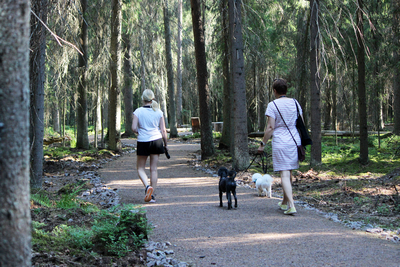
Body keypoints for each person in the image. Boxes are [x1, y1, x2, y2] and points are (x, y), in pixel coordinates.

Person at [257, 78, 302, 215]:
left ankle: (291, 205)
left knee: (284, 173)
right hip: (295, 140)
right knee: (289, 172)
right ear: (286, 90)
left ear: (275, 91)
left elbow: (270, 127)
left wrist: (263, 144)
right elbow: (301, 123)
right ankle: (284, 202)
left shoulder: (272, 105)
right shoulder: (295, 102)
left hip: (281, 141)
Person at [132, 89, 168, 203]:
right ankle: (152, 196)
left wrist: (139, 132)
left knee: (140, 168)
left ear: (143, 98)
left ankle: (147, 187)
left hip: (143, 141)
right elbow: (163, 130)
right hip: (156, 140)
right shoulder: (159, 112)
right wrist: (165, 144)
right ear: (152, 98)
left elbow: (133, 128)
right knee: (154, 169)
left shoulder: (138, 111)